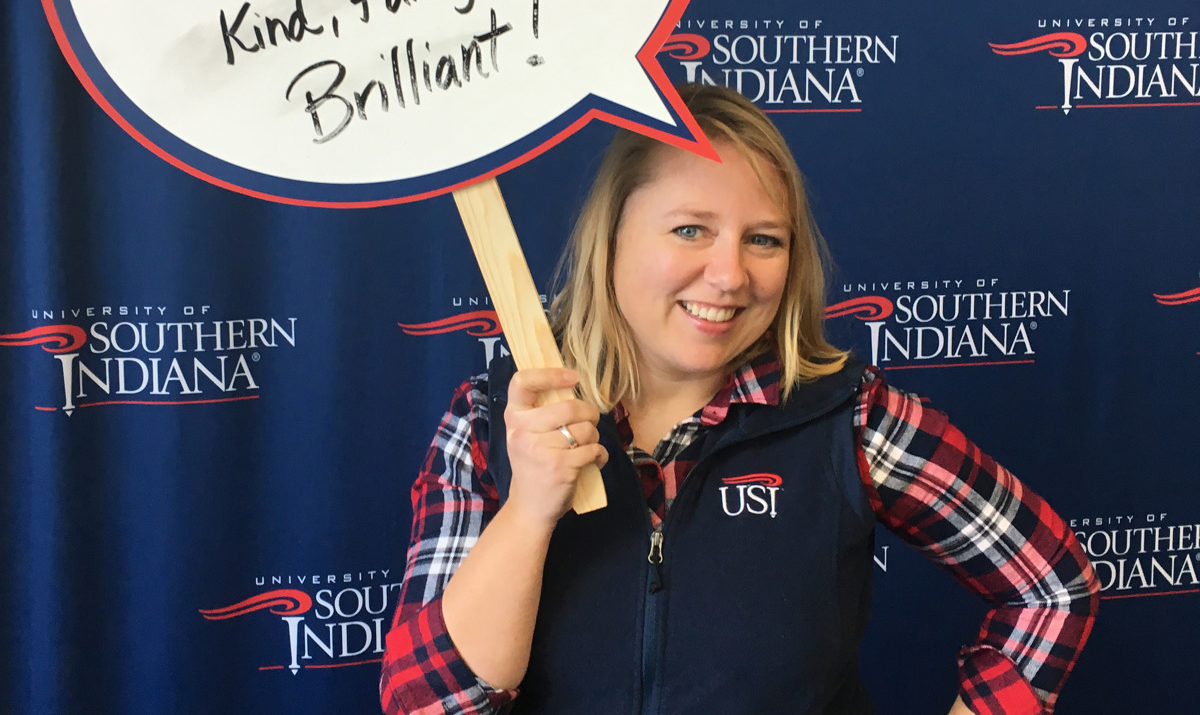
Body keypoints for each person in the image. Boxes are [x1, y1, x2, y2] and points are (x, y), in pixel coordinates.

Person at [380, 83, 1099, 715]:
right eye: (690, 229)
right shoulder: (493, 418)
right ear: (614, 236)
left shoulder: (852, 419)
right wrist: (531, 508)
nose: (728, 275)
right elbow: (430, 703)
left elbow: (1052, 587)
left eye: (763, 239)